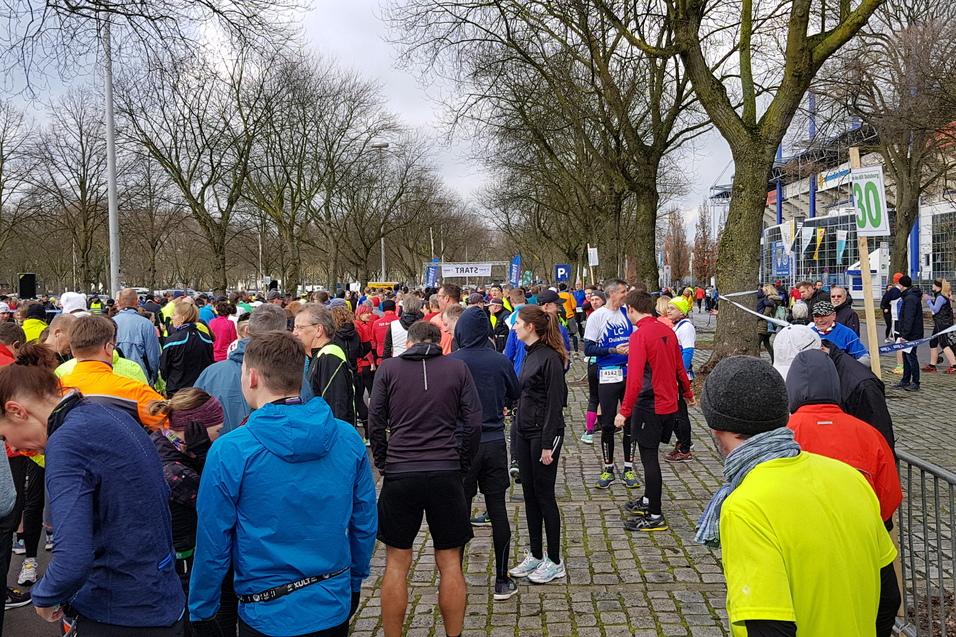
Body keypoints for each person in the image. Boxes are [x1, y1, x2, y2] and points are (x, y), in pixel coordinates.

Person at [188, 331, 376, 637]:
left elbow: (212, 540)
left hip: (266, 608)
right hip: (330, 600)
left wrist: (202, 609)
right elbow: (364, 520)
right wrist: (354, 580)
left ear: (251, 378)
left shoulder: (231, 450)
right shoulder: (347, 438)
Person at [699, 356, 900, 637]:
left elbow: (770, 628)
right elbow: (889, 599)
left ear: (715, 429)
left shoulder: (745, 506)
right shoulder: (850, 478)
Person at [0, 344, 185, 635]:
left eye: (4, 435)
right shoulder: (105, 413)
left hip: (117, 609)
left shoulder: (66, 442)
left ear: (16, 411)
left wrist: (45, 595)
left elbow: (72, 557)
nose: (12, 447)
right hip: (159, 595)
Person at [369, 321, 481, 637]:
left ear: (409, 342)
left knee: (396, 563)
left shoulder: (388, 370)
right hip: (445, 469)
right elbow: (473, 423)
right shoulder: (457, 369)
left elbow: (375, 422)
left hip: (401, 470)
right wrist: (461, 463)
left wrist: (383, 461)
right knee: (449, 562)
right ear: (440, 341)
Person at [449, 307, 520, 600]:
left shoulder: (452, 362)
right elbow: (515, 392)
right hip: (492, 441)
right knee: (498, 510)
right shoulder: (500, 360)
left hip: (462, 443)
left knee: (459, 512)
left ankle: (457, 579)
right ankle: (502, 579)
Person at [147, 390, 232, 630]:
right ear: (196, 430)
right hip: (185, 567)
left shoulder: (162, 442)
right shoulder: (174, 472)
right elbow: (220, 501)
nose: (219, 437)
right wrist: (206, 456)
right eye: (216, 432)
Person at [784, 350, 901, 523]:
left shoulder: (781, 435)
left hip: (799, 534)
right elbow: (889, 494)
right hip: (859, 535)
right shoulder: (870, 434)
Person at [614, 291, 694, 532]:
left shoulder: (640, 335)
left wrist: (624, 411)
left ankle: (655, 514)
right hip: (669, 403)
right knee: (650, 455)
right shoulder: (668, 330)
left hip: (650, 404)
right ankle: (648, 499)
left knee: (649, 459)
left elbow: (635, 380)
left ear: (631, 310)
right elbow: (680, 367)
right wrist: (688, 394)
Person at [507, 305, 568, 584]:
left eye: (518, 323)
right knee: (529, 495)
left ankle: (554, 560)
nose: (514, 327)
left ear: (531, 326)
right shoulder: (529, 354)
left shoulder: (551, 359)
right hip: (525, 432)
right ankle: (535, 553)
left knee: (545, 496)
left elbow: (555, 405)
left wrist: (547, 445)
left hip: (544, 435)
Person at [193, 304, 289, 434]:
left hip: (221, 449)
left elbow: (192, 422)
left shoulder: (211, 374)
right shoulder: (295, 375)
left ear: (248, 330)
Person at [59, 315, 166, 429]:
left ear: (72, 350)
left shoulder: (56, 389)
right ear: (108, 348)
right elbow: (173, 425)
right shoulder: (135, 391)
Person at [582, 279, 636, 489]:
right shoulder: (598, 316)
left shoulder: (627, 313)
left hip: (628, 372)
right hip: (607, 374)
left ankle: (629, 468)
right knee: (607, 424)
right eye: (623, 292)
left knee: (629, 422)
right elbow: (588, 349)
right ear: (612, 294)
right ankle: (608, 468)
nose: (626, 295)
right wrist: (613, 351)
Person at [822, 340, 896, 450]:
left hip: (858, 452)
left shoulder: (863, 384)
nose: (819, 321)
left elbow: (880, 429)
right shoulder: (819, 370)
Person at [297, 304, 355, 425]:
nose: (295, 333)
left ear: (319, 330)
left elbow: (336, 410)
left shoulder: (329, 356)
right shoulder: (319, 356)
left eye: (299, 328)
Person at [665, 296, 696, 462]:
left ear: (682, 311)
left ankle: (685, 448)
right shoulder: (677, 326)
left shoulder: (686, 328)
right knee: (675, 412)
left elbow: (688, 352)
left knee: (679, 413)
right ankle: (682, 442)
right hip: (674, 375)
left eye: (673, 308)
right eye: (668, 308)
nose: (668, 311)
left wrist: (680, 375)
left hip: (680, 376)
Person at [161, 301, 214, 395]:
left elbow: (164, 368)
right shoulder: (206, 338)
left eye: (174, 314)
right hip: (199, 391)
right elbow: (209, 365)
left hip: (177, 391)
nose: (172, 318)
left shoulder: (172, 340)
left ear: (182, 318)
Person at [114, 288, 162, 382]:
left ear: (119, 302)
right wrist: (153, 378)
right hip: (140, 378)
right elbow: (153, 357)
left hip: (115, 378)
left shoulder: (110, 323)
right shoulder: (146, 324)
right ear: (137, 302)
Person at [579, 290, 606, 446]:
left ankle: (606, 425)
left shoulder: (607, 316)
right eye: (592, 299)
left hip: (607, 362)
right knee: (595, 397)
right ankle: (589, 430)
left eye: (597, 299)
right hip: (594, 361)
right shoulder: (590, 316)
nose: (594, 302)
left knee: (606, 397)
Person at [894, 275, 924, 391]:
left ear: (902, 285)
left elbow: (909, 318)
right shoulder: (910, 296)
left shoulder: (910, 298)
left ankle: (915, 382)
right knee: (906, 357)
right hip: (909, 333)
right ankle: (905, 380)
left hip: (912, 334)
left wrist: (904, 335)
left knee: (911, 357)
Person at [923, 278, 956, 373]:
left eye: (933, 285)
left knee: (944, 343)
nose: (932, 286)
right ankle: (932, 365)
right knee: (933, 342)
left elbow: (935, 309)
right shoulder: (941, 296)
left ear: (938, 286)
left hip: (942, 324)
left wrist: (928, 300)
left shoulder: (941, 297)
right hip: (941, 323)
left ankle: (954, 365)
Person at [432, 283, 462, 354]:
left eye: (439, 296)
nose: (437, 300)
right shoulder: (435, 320)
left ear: (446, 298)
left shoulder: (467, 318)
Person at [755, 284, 780, 362]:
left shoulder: (770, 300)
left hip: (763, 324)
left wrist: (757, 318)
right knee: (766, 343)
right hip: (767, 325)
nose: (763, 292)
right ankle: (774, 360)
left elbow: (765, 313)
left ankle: (758, 361)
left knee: (757, 344)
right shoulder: (773, 300)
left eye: (764, 290)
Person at [371, 300, 400, 367]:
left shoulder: (376, 323)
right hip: (398, 357)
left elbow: (374, 342)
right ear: (395, 308)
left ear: (383, 309)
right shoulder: (400, 321)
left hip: (381, 358)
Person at [880, 275, 903, 342]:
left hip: (896, 313)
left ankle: (891, 336)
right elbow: (883, 302)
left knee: (895, 328)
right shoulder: (892, 292)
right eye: (888, 288)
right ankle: (888, 337)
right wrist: (885, 308)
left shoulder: (897, 291)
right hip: (891, 313)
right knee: (890, 325)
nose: (890, 289)